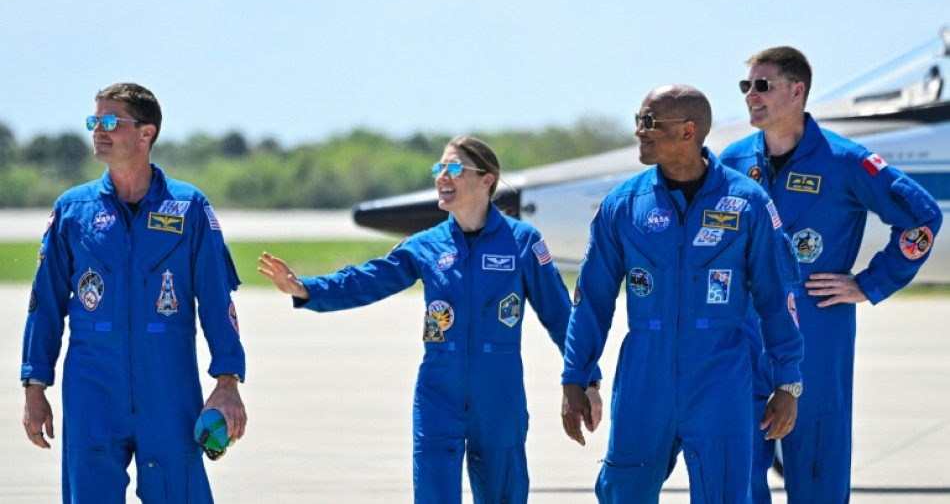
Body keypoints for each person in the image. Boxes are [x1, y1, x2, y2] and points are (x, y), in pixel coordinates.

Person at [257, 135, 602, 504]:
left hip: (499, 397)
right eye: (439, 169)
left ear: (487, 180)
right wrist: (306, 289)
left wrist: (587, 380)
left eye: (454, 168)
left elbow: (562, 318)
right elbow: (369, 279)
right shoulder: (426, 244)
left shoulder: (523, 242)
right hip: (438, 394)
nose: (442, 177)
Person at [560, 84, 804, 503]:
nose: (639, 131)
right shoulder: (623, 205)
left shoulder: (747, 203)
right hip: (643, 380)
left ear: (689, 131)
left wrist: (788, 382)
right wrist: (575, 377)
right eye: (638, 121)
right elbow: (592, 299)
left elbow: (775, 298)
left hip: (720, 379)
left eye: (650, 122)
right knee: (624, 492)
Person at [720, 47, 943, 504]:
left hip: (816, 327)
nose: (750, 97)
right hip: (744, 330)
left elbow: (920, 218)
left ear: (797, 90)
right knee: (735, 469)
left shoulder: (846, 161)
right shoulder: (733, 161)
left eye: (763, 86)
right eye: (746, 87)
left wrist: (870, 282)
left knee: (818, 461)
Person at [20, 83, 247, 503]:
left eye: (110, 121)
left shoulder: (189, 207)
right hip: (92, 388)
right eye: (94, 121)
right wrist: (35, 388)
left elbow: (218, 300)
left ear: (147, 133)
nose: (98, 131)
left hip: (168, 387)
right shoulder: (73, 210)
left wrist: (227, 382)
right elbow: (44, 304)